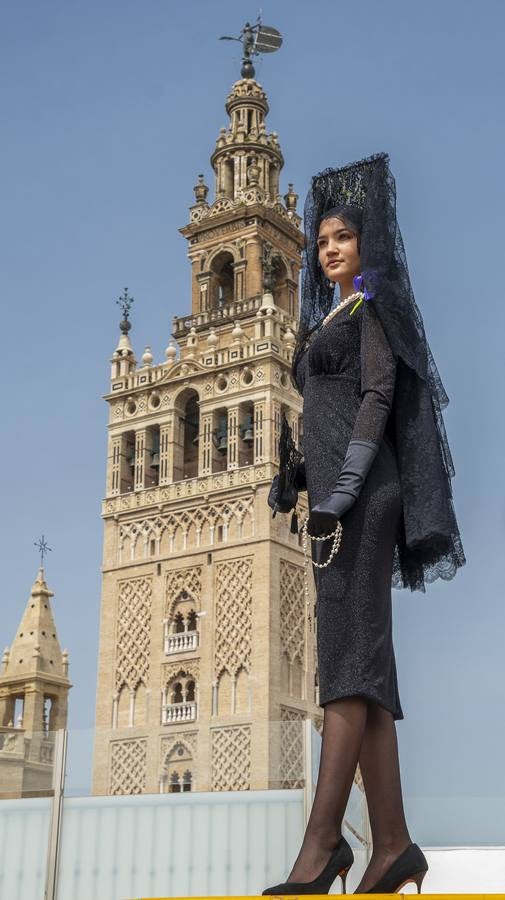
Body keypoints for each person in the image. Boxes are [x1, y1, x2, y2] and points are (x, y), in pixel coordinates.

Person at [264, 152, 465, 895]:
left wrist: (340, 489)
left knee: (344, 669)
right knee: (361, 665)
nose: (327, 251)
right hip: (332, 496)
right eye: (319, 243)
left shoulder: (372, 310)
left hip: (359, 501)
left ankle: (320, 850)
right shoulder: (328, 314)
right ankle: (391, 846)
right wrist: (299, 476)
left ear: (365, 247)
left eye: (339, 239)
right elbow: (327, 407)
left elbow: (376, 401)